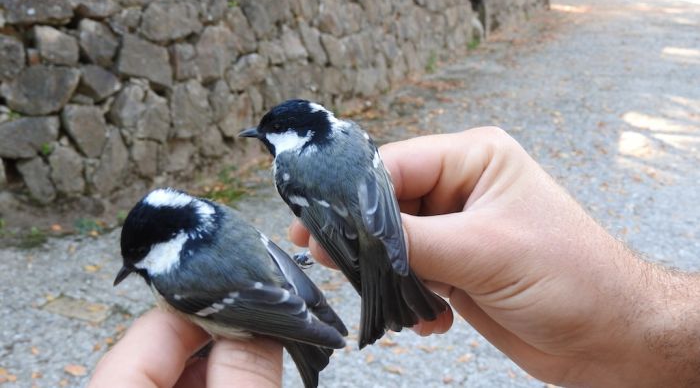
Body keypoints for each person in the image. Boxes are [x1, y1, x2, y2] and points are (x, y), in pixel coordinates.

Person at [90, 128, 699, 387]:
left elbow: (258, 289)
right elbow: (273, 255)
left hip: (295, 298)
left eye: (138, 260)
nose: (138, 271)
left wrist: (313, 317)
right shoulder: (218, 219)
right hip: (303, 285)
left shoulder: (178, 277)